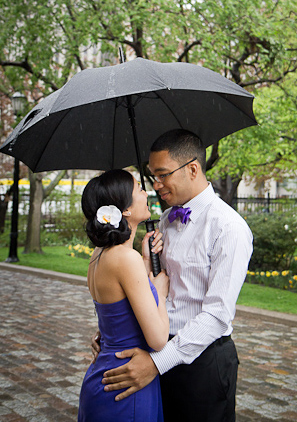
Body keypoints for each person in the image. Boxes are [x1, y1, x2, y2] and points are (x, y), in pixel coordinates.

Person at [94, 129, 254, 421]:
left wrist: (156, 363)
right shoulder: (165, 220)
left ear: (192, 169)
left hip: (202, 365)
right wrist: (115, 331)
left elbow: (217, 315)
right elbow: (150, 289)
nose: (156, 185)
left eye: (163, 174)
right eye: (152, 176)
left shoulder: (229, 228)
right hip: (155, 349)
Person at [78, 169, 170, 422]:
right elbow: (159, 339)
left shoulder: (99, 254)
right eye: (139, 189)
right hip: (126, 381)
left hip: (104, 374)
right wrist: (159, 292)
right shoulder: (125, 259)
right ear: (125, 210)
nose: (146, 192)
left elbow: (118, 311)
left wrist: (143, 259)